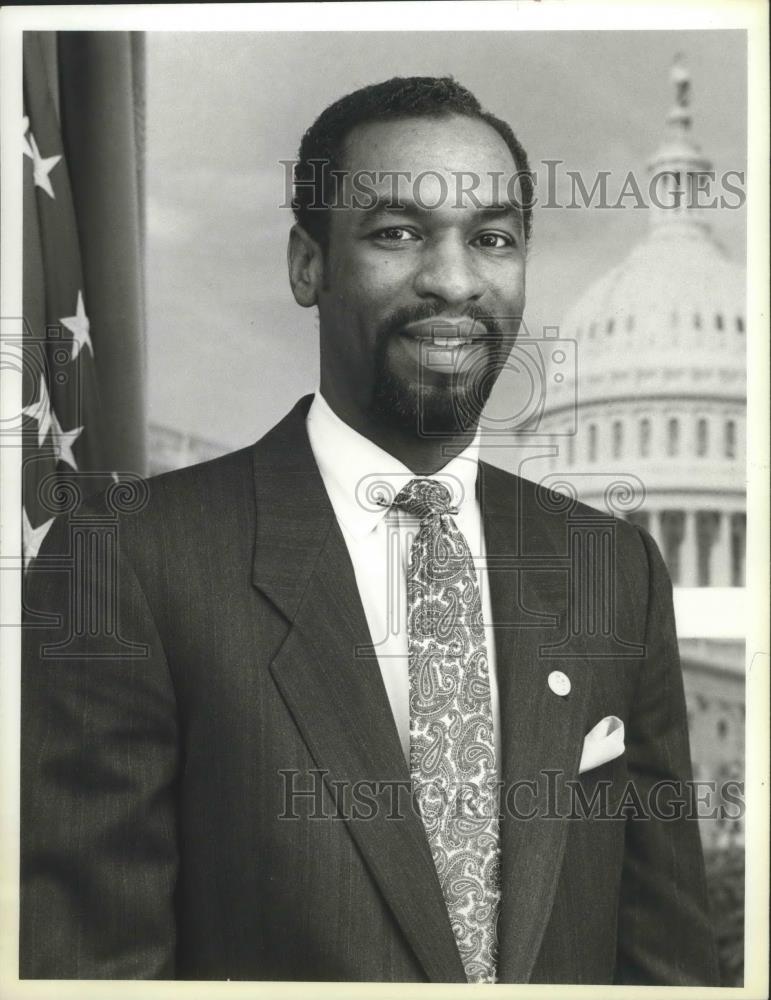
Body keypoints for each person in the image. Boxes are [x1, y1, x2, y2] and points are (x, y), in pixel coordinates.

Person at [21, 76, 719, 984]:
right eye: (397, 233)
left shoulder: (611, 568)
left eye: (494, 238)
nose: (455, 281)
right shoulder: (131, 560)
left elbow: (668, 961)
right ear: (307, 264)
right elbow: (90, 966)